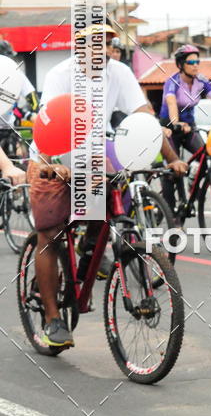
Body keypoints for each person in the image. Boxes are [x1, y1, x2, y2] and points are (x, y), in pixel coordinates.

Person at [28, 24, 188, 349]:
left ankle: (94, 247)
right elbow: (48, 123)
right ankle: (52, 318)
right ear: (79, 45)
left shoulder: (119, 72)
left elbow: (142, 114)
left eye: (107, 41)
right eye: (92, 41)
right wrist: (49, 165)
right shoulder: (61, 75)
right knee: (51, 236)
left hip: (96, 157)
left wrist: (169, 157)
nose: (100, 48)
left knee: (110, 203)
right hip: (54, 155)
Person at [158, 44, 211, 211]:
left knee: (206, 156)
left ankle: (193, 185)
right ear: (180, 65)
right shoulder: (173, 82)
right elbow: (171, 103)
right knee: (173, 169)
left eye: (197, 61)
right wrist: (176, 123)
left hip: (189, 127)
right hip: (170, 127)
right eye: (191, 62)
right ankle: (172, 214)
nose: (195, 65)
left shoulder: (201, 81)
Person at [0, 39, 39, 157]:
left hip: (8, 129)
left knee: (14, 160)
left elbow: (30, 94)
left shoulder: (16, 73)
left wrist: (37, 113)